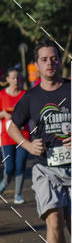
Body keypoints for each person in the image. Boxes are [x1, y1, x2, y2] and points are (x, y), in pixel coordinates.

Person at [8, 42, 72, 243]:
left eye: (54, 58)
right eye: (44, 59)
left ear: (60, 61)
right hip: (46, 168)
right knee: (54, 221)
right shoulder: (31, 97)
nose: (50, 63)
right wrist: (26, 144)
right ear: (37, 64)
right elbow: (12, 126)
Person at [0, 68, 30, 203]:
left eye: (18, 78)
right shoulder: (2, 95)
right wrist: (3, 114)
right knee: (10, 167)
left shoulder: (25, 94)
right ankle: (4, 183)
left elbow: (32, 112)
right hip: (6, 137)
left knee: (21, 164)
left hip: (23, 135)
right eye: (13, 78)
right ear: (7, 79)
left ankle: (18, 194)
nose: (16, 80)